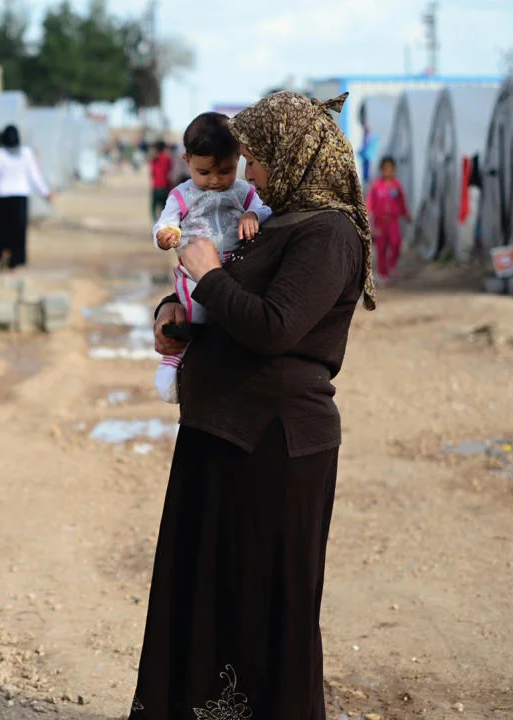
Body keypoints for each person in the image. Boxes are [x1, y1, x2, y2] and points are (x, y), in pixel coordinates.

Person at [129, 92, 374, 719]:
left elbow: (274, 326)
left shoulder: (329, 233)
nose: (251, 172)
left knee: (263, 599)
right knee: (207, 592)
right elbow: (223, 292)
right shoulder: (278, 220)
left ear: (296, 156)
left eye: (259, 159)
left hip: (276, 445)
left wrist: (209, 276)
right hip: (223, 432)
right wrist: (173, 311)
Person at [152, 113, 272, 404]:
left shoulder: (244, 192)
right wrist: (165, 234)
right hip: (193, 270)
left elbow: (265, 209)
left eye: (226, 171)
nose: (216, 181)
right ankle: (178, 354)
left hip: (232, 267)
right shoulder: (182, 194)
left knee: (228, 311)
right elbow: (165, 222)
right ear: (187, 160)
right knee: (193, 307)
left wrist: (253, 214)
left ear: (238, 160)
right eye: (205, 173)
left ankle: (213, 360)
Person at [0, 125, 53, 271]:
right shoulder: (26, 153)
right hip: (21, 196)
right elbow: (35, 175)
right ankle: (17, 258)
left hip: (3, 195)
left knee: (3, 227)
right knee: (19, 229)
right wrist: (45, 192)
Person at [366, 155, 411, 284]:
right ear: (381, 169)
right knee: (381, 248)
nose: (388, 171)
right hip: (380, 223)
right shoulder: (376, 185)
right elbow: (370, 201)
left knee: (396, 243)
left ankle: (391, 265)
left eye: (390, 169)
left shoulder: (396, 185)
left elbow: (401, 201)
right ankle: (383, 273)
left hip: (393, 221)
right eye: (385, 169)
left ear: (394, 170)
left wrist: (405, 213)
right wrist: (368, 213)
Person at [148, 140, 173, 220]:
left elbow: (152, 173)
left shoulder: (154, 159)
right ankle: (162, 226)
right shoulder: (167, 158)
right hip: (166, 186)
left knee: (153, 208)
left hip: (156, 186)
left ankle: (156, 225)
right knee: (164, 208)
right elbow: (170, 171)